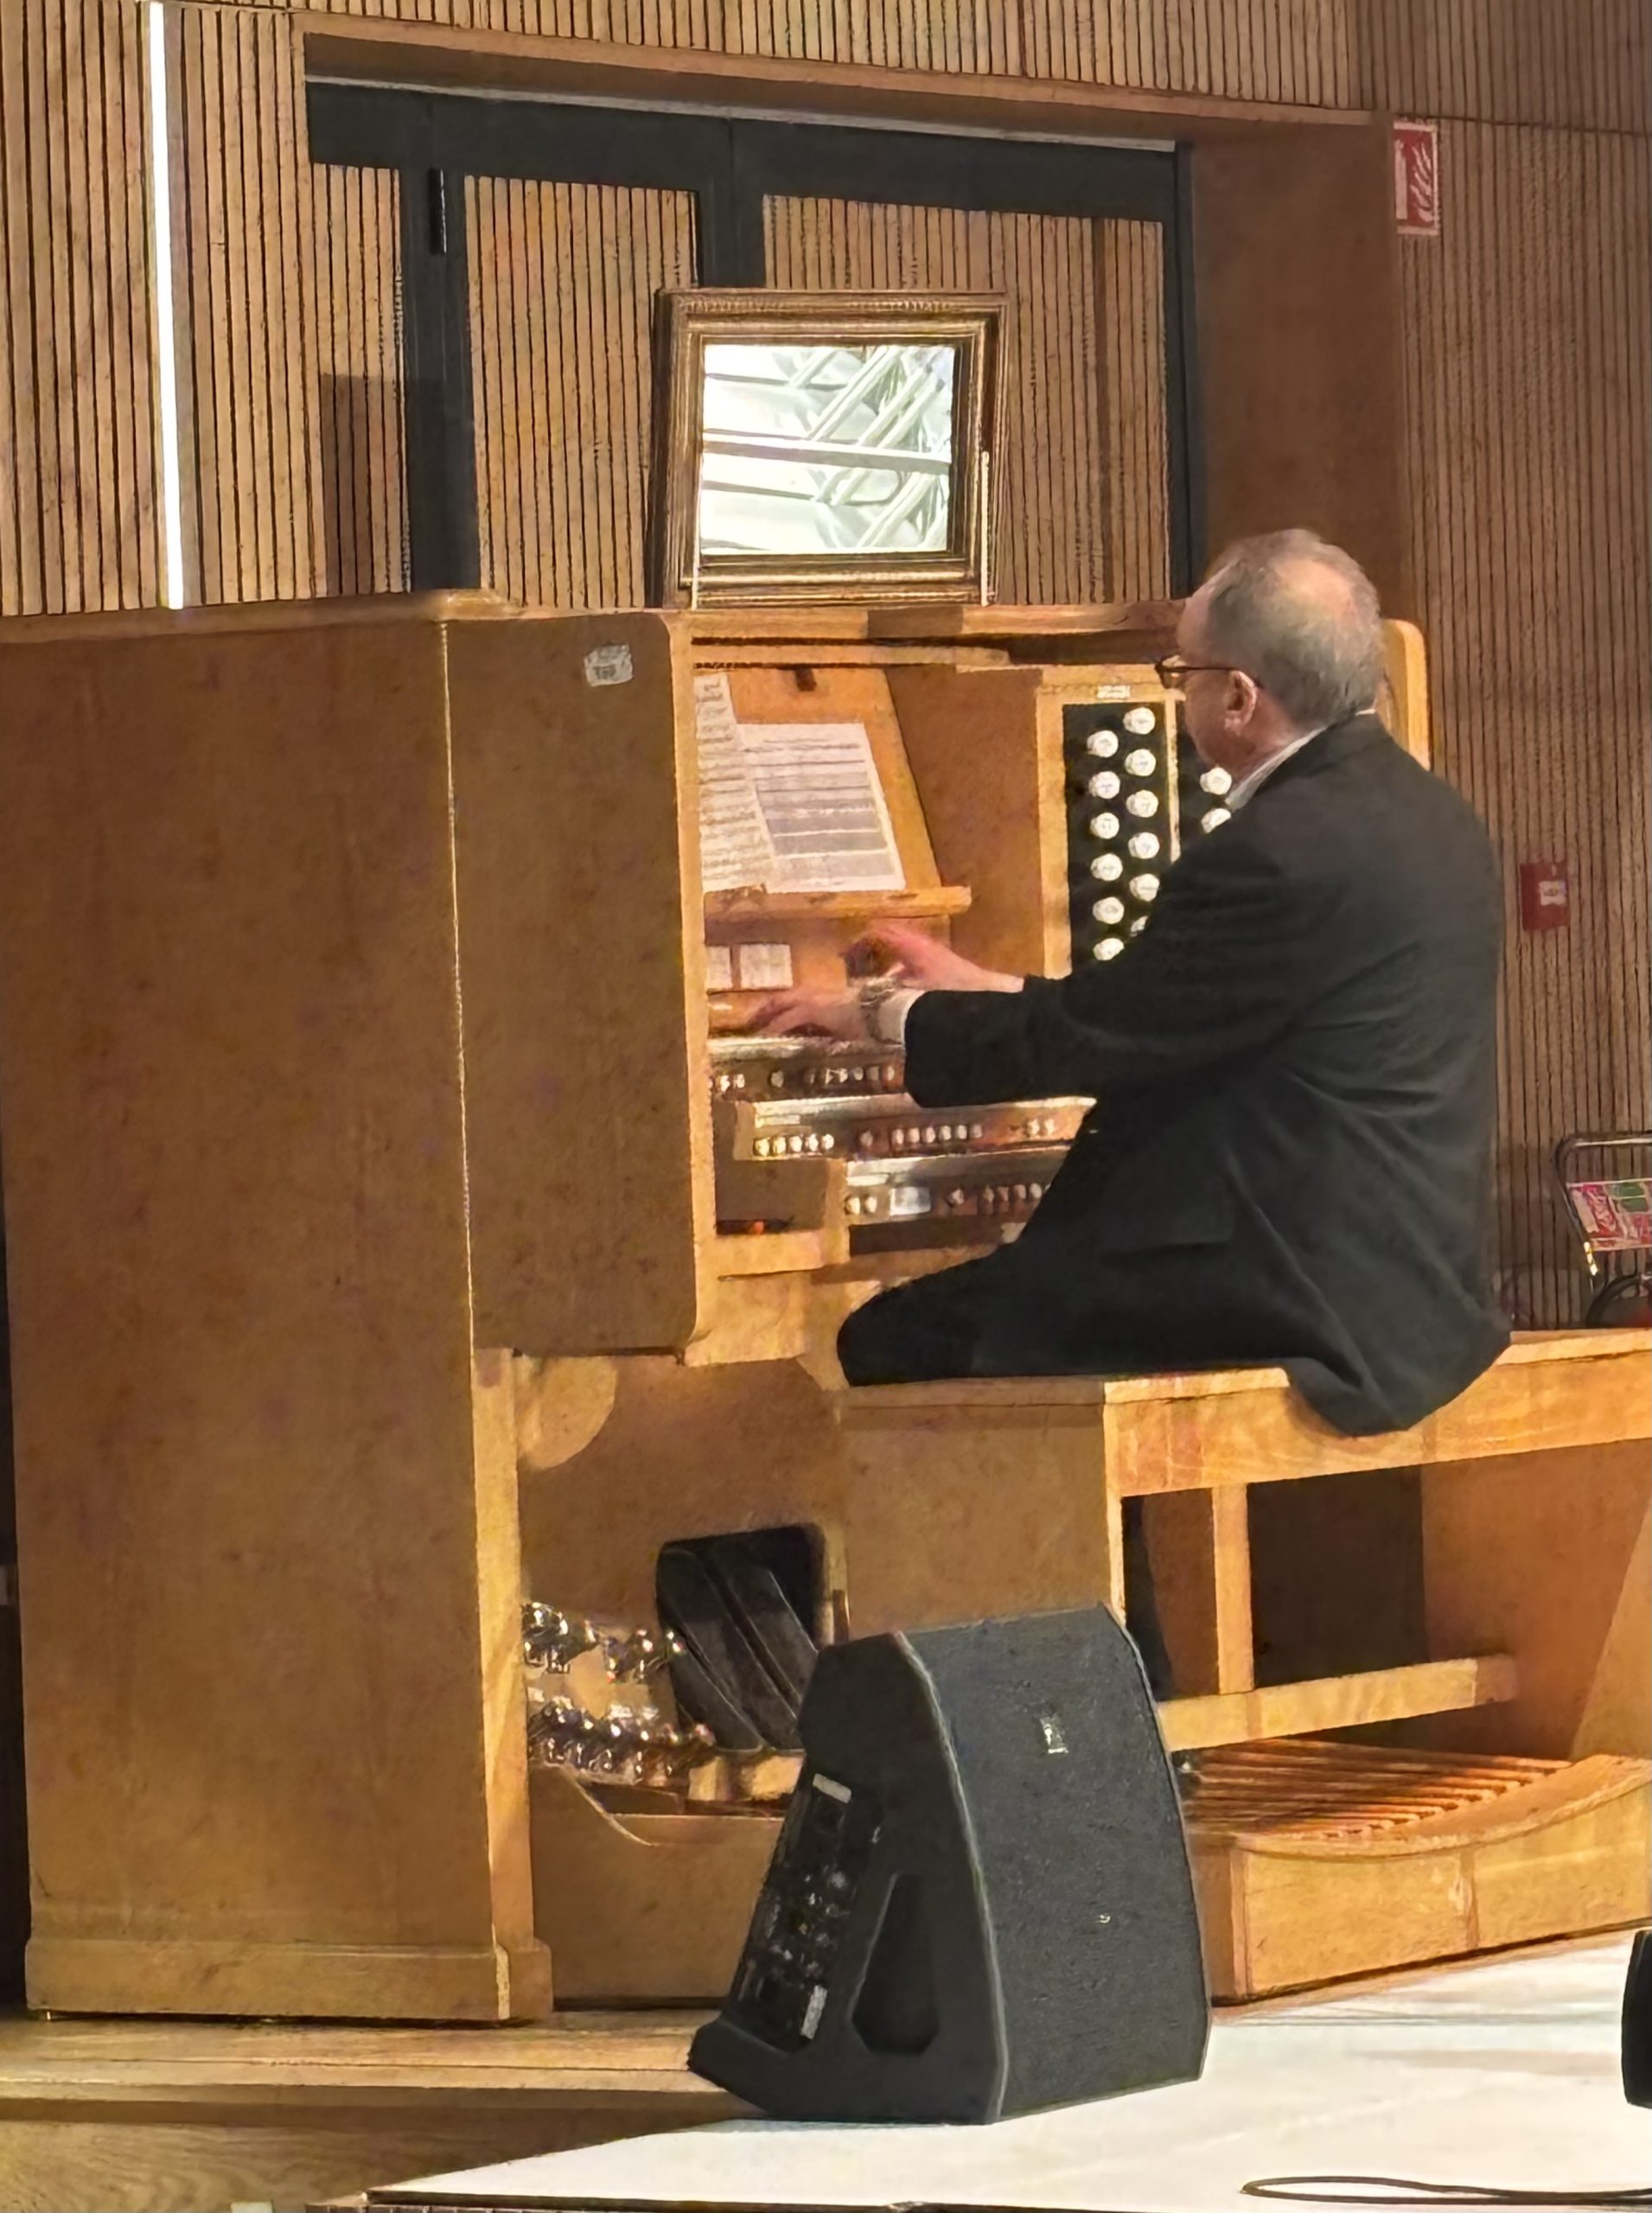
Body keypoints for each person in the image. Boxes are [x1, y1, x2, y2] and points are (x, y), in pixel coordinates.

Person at [755, 530, 1509, 1451]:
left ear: (1239, 697)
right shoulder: (1434, 819)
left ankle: (1030, 1553)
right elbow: (1174, 1010)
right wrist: (986, 987)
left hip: (1281, 1281)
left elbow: (1105, 1034)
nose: (1179, 691)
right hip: (1402, 1276)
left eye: (1180, 673)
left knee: (885, 1338)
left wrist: (882, 1012)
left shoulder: (1271, 853)